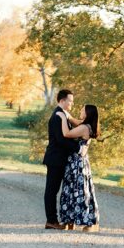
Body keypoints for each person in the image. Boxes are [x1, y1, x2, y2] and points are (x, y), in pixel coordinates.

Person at [58, 103, 100, 232]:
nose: (80, 111)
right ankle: (71, 221)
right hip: (82, 162)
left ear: (87, 114)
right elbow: (75, 121)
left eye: (82, 110)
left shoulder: (84, 128)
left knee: (75, 190)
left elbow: (66, 133)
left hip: (76, 163)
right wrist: (67, 115)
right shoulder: (88, 126)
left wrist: (62, 117)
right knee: (77, 190)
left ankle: (80, 222)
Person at [42, 89, 78, 230]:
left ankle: (55, 220)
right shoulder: (58, 116)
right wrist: (78, 147)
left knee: (55, 190)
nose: (72, 104)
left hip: (59, 159)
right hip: (55, 159)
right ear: (62, 100)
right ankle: (51, 221)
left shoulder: (63, 114)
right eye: (70, 101)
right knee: (51, 191)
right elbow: (61, 140)